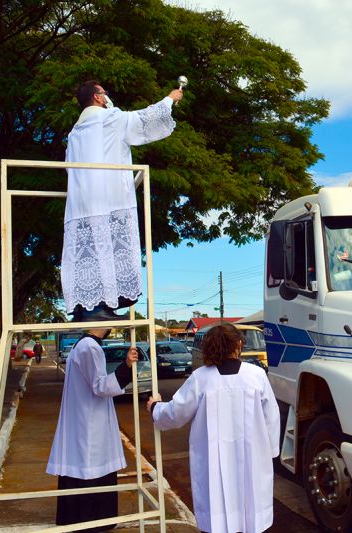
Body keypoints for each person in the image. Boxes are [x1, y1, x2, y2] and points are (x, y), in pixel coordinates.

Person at [62, 80, 183, 322]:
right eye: (104, 93)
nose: (108, 97)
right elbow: (143, 119)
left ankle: (86, 307)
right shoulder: (109, 119)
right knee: (109, 246)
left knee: (90, 251)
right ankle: (103, 305)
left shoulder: (75, 133)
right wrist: (170, 99)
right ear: (98, 98)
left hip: (81, 200)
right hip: (109, 195)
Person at [147, 323, 280, 533]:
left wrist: (155, 407)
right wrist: (270, 452)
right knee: (250, 506)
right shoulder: (256, 375)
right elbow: (272, 417)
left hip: (213, 460)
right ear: (238, 344)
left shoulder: (201, 378)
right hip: (252, 458)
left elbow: (176, 413)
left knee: (217, 504)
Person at [46, 328, 138, 531]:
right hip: (89, 419)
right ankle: (92, 521)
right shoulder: (90, 347)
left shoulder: (84, 345)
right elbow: (101, 386)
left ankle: (82, 519)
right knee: (90, 465)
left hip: (84, 414)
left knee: (85, 463)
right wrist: (127, 366)